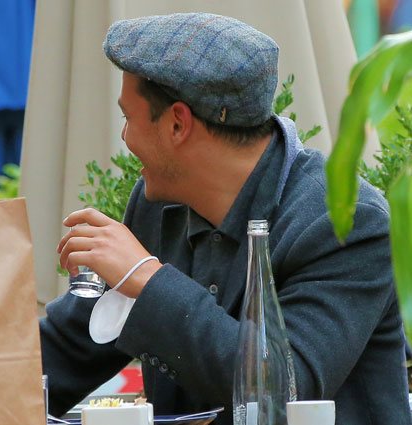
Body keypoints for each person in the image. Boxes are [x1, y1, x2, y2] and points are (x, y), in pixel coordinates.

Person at [41, 13, 412, 425]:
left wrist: (146, 277)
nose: (125, 138)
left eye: (128, 118)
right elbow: (68, 348)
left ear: (178, 123)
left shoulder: (345, 222)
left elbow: (281, 392)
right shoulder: (158, 207)